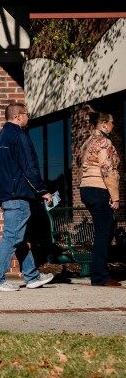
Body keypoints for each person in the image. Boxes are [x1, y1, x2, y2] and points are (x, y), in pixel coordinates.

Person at [0, 101, 54, 291]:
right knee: (12, 235)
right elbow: (29, 167)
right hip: (18, 195)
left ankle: (32, 276)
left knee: (19, 235)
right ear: (18, 116)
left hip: (5, 194)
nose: (28, 118)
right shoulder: (19, 135)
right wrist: (42, 190)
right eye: (27, 114)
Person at [79, 111, 121, 287]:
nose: (113, 126)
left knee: (104, 230)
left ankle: (99, 273)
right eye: (111, 123)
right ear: (104, 124)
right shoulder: (104, 142)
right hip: (99, 188)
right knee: (103, 233)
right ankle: (100, 277)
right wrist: (115, 196)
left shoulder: (88, 142)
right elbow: (107, 169)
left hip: (86, 189)